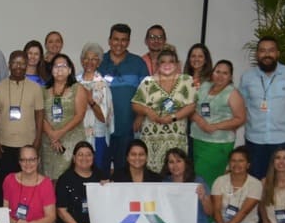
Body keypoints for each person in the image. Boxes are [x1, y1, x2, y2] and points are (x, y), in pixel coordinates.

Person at [239, 36, 285, 179]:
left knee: (280, 180)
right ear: (257, 54)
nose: (267, 54)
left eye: (271, 50)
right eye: (262, 51)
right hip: (254, 140)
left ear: (277, 53)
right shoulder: (247, 77)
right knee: (255, 180)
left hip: (282, 139)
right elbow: (242, 104)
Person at [131, 48, 196, 172]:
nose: (167, 65)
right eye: (163, 62)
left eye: (171, 61)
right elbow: (135, 104)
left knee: (176, 171)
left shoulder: (186, 80)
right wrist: (149, 112)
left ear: (177, 64)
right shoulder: (147, 82)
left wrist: (172, 117)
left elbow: (191, 105)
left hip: (176, 136)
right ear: (157, 64)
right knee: (152, 174)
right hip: (152, 137)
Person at [97, 23, 148, 173]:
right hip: (102, 127)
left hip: (128, 126)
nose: (119, 44)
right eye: (116, 39)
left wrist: (140, 115)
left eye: (124, 40)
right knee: (101, 170)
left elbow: (146, 92)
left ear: (128, 42)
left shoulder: (138, 63)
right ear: (109, 40)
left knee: (124, 171)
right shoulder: (99, 61)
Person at [190, 60, 246, 188]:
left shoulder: (232, 93)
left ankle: (208, 206)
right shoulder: (204, 86)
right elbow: (189, 107)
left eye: (225, 73)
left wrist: (215, 126)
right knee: (197, 177)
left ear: (230, 77)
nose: (220, 76)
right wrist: (200, 121)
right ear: (212, 73)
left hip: (218, 144)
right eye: (218, 72)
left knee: (205, 181)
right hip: (198, 140)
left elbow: (240, 118)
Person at [0, 50, 45, 182]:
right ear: (9, 65)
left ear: (27, 65)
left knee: (27, 181)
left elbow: (39, 115)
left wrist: (37, 140)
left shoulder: (36, 88)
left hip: (28, 144)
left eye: (22, 63)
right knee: (5, 182)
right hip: (4, 144)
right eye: (15, 63)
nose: (18, 66)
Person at [41, 54, 89, 180]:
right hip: (49, 142)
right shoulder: (43, 90)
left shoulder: (78, 88)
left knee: (69, 178)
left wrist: (59, 133)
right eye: (56, 66)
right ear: (51, 70)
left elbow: (80, 115)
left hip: (71, 140)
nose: (59, 69)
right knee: (48, 178)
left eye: (63, 66)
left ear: (69, 70)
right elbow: (40, 115)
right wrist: (52, 135)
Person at [209, 146, 262, 223]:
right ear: (229, 163)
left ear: (248, 165)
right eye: (233, 161)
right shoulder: (219, 181)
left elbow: (244, 212)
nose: (237, 164)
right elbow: (216, 209)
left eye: (241, 161)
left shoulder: (256, 184)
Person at [162, 147, 213, 223]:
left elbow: (210, 212)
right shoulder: (164, 184)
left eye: (179, 161)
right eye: (171, 162)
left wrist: (203, 198)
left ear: (186, 163)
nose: (175, 165)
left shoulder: (198, 181)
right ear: (167, 166)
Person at [77, 42, 113, 173]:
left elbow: (105, 118)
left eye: (94, 59)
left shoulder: (103, 85)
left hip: (97, 136)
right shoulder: (74, 82)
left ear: (99, 63)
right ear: (81, 61)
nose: (89, 62)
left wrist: (90, 101)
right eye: (86, 58)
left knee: (96, 172)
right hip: (77, 135)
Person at [55, 141, 105, 223]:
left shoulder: (101, 177)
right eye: (80, 155)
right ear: (74, 158)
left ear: (93, 158)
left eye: (88, 155)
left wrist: (109, 187)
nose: (84, 158)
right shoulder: (65, 179)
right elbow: (61, 211)